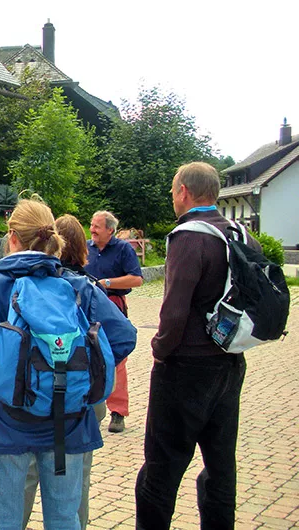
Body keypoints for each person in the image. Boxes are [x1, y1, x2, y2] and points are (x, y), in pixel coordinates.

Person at [0, 199, 137, 529]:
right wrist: (87, 370)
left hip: (7, 419)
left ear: (12, 237)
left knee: (4, 519)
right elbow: (123, 337)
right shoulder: (78, 286)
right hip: (69, 421)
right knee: (64, 518)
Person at [135, 162, 259, 529]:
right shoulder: (239, 234)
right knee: (221, 468)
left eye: (174, 191)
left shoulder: (190, 236)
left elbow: (174, 312)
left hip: (186, 368)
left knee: (161, 470)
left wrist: (159, 350)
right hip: (230, 363)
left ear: (184, 192)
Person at [21, 213, 109, 530]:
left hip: (35, 392)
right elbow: (124, 337)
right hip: (82, 397)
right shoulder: (86, 287)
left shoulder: (28, 285)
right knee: (77, 477)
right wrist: (96, 369)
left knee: (29, 473)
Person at [84, 210, 143, 433]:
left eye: (97, 226)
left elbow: (136, 279)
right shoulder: (86, 248)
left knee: (117, 359)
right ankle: (89, 406)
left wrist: (106, 283)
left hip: (113, 307)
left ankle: (118, 412)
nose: (92, 230)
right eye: (91, 225)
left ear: (110, 230)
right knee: (87, 355)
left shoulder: (123, 249)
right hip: (88, 307)